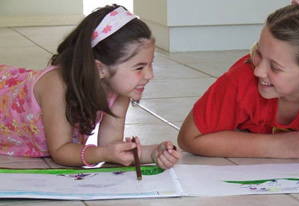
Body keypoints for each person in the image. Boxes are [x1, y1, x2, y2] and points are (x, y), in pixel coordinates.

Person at [178, 0, 299, 159]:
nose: (259, 71)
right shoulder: (242, 79)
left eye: (275, 67)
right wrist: (268, 146)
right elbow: (189, 138)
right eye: (258, 53)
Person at [0, 5, 180, 169]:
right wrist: (102, 153)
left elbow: (112, 146)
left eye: (150, 65)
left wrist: (154, 153)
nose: (150, 75)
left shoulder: (120, 93)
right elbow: (61, 150)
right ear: (99, 68)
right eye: (139, 67)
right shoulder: (57, 86)